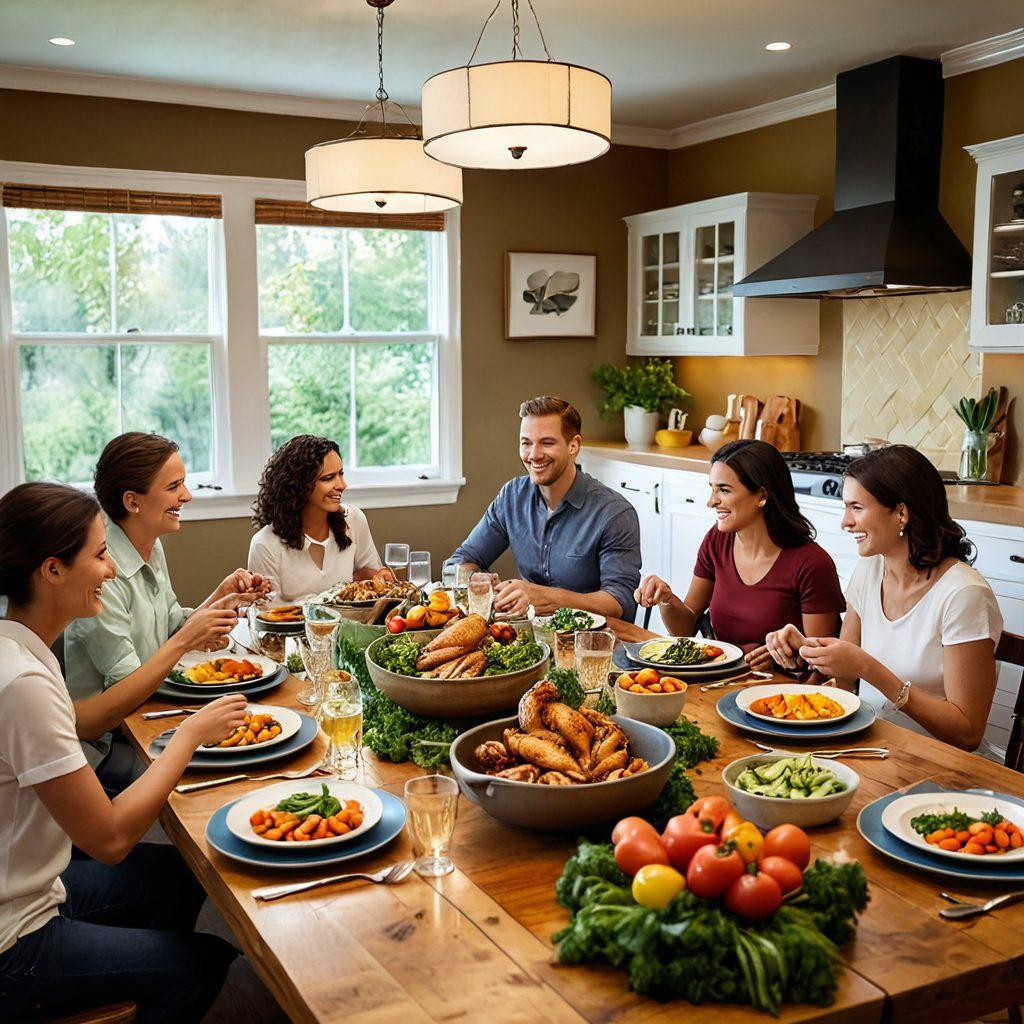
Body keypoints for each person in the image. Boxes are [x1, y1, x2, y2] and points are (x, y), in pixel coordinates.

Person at [0, 481, 245, 1021]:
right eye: (100, 554)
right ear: (52, 570)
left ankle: (120, 975)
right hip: (14, 941)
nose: (110, 570)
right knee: (203, 962)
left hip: (34, 885)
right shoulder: (22, 684)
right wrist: (187, 736)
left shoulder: (17, 647)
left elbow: (75, 721)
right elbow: (109, 838)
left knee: (183, 875)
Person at [765, 445, 1002, 751]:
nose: (845, 522)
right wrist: (807, 654)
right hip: (873, 746)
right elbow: (846, 684)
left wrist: (868, 668)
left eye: (857, 508)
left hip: (941, 765)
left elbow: (967, 732)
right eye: (845, 507)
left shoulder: (964, 595)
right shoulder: (871, 569)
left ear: (901, 514)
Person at [64, 432, 270, 774]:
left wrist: (222, 595)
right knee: (232, 766)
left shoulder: (149, 541)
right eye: (174, 486)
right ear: (133, 502)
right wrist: (189, 638)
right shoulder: (102, 571)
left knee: (252, 732)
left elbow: (172, 627)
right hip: (109, 743)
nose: (186, 496)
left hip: (150, 713)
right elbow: (127, 686)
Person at [636, 440, 844, 670]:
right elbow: (686, 627)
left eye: (724, 490)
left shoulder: (812, 564)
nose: (711, 501)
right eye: (712, 489)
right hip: (720, 680)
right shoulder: (717, 540)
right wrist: (666, 599)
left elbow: (822, 669)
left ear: (761, 495)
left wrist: (782, 662)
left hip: (781, 695)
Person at [451, 396, 641, 620]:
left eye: (547, 443)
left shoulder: (614, 513)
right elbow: (461, 560)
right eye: (526, 443)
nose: (534, 455)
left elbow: (620, 601)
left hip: (593, 642)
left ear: (574, 445)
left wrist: (540, 595)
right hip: (530, 636)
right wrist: (475, 579)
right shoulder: (512, 496)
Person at [248, 435, 382, 601]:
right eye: (328, 478)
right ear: (298, 485)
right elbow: (269, 617)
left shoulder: (353, 520)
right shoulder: (264, 545)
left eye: (341, 474)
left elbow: (377, 585)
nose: (342, 485)